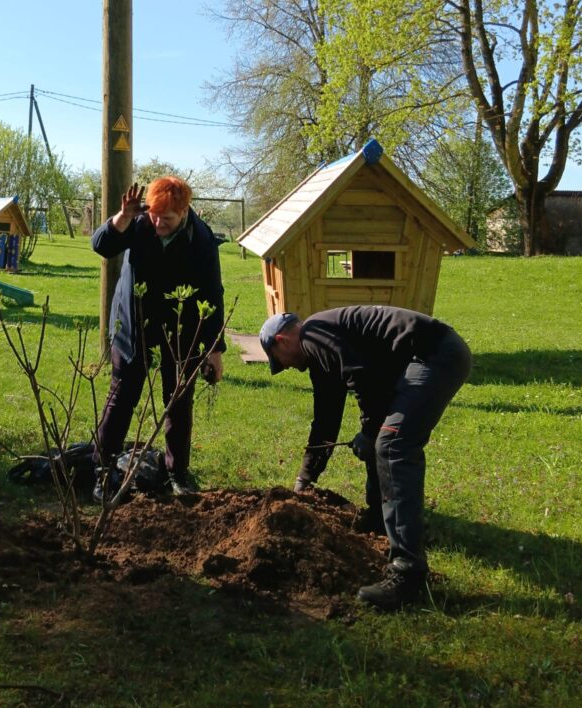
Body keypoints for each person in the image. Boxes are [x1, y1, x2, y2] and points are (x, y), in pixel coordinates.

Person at [259, 305, 471, 610]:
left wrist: (370, 431)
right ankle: (379, 521)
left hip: (435, 354)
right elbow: (326, 420)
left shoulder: (313, 334)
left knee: (391, 444)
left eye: (280, 360)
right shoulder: (320, 350)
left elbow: (360, 374)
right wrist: (305, 478)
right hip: (429, 354)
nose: (288, 366)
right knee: (381, 438)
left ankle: (407, 573)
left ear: (281, 341)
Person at [92, 176, 226, 498]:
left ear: (184, 212)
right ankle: (103, 470)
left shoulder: (201, 239)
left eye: (166, 218)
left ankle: (176, 473)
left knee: (178, 401)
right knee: (122, 396)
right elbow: (101, 245)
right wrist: (122, 217)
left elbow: (213, 293)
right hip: (133, 323)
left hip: (179, 329)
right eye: (154, 215)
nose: (158, 223)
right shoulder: (138, 223)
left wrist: (215, 349)